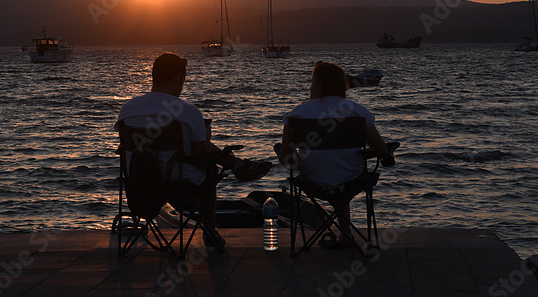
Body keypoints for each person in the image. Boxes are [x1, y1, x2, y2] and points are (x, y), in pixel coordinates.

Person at [116, 52, 271, 248]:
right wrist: (206, 140)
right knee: (210, 171)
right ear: (180, 78)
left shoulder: (127, 109)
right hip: (179, 184)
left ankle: (238, 165)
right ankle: (210, 231)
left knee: (205, 158)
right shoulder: (187, 111)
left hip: (139, 181)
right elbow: (201, 155)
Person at [279, 61, 392, 247]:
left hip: (311, 181)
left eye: (311, 82)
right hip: (351, 181)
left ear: (319, 85)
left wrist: (296, 158)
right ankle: (345, 234)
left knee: (330, 169)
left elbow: (285, 157)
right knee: (341, 174)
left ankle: (342, 235)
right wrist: (365, 154)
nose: (309, 87)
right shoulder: (357, 111)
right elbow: (381, 150)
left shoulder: (297, 114)